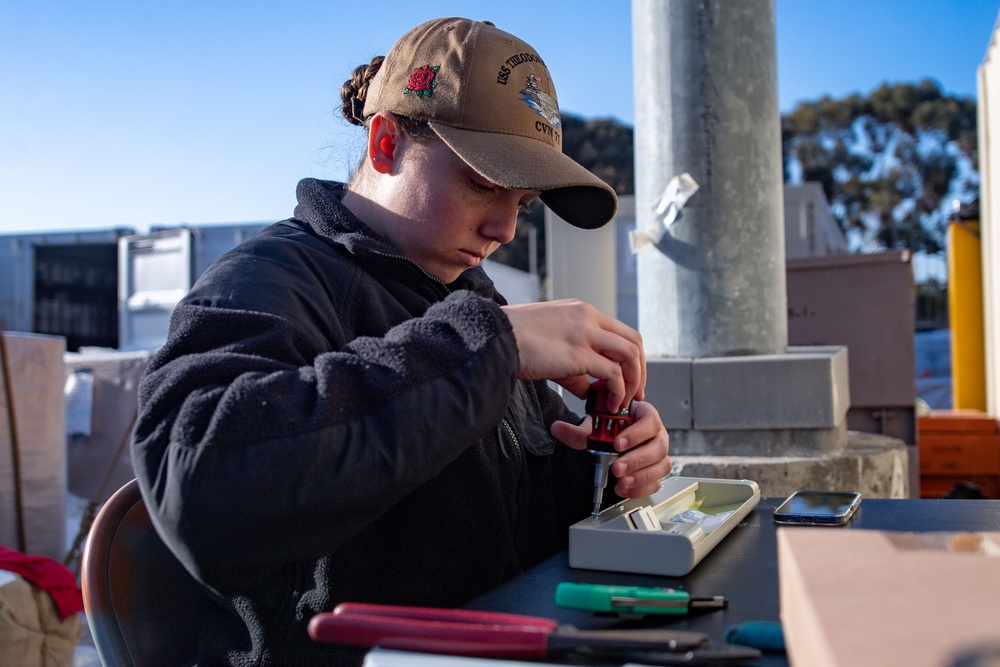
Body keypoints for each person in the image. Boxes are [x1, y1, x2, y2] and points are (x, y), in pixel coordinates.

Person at [131, 16, 672, 666]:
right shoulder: (266, 281)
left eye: (523, 202)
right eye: (483, 182)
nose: (504, 228)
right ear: (385, 143)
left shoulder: (474, 305)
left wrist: (612, 467)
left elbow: (505, 525)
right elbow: (201, 491)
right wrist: (485, 349)